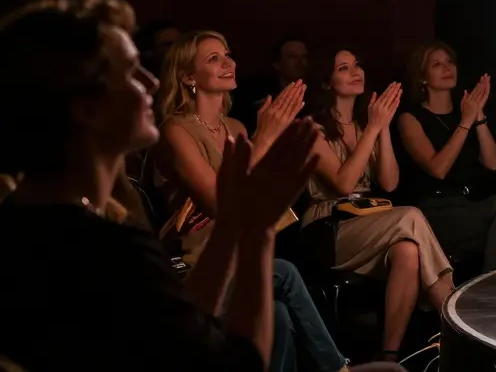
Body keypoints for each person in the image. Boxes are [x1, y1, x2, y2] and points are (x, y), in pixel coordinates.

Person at [0, 0, 319, 371]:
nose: (151, 82)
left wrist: (235, 220)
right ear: (87, 109)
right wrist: (258, 233)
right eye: (130, 72)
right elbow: (237, 364)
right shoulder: (105, 248)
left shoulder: (28, 216)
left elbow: (183, 327)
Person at [152, 30, 358, 372]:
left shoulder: (235, 127)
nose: (228, 63)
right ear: (188, 76)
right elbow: (222, 206)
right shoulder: (176, 130)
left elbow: (262, 203)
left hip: (239, 257)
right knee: (286, 273)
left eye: (228, 55)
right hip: (196, 265)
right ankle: (339, 368)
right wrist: (264, 138)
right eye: (214, 58)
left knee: (277, 314)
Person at [304, 48, 455, 362]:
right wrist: (374, 127)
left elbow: (389, 182)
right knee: (411, 215)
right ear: (327, 82)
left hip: (368, 220)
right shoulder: (312, 127)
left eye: (357, 65)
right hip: (328, 227)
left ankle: (388, 359)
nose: (355, 71)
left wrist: (382, 127)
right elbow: (343, 184)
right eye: (343, 68)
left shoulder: (365, 124)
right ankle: (453, 312)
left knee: (408, 251)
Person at [396, 42, 496, 271]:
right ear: (422, 78)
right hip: (434, 213)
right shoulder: (410, 119)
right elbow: (438, 169)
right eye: (437, 64)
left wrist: (478, 115)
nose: (447, 67)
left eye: (450, 62)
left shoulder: (465, 112)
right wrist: (466, 121)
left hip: (469, 207)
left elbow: (493, 163)